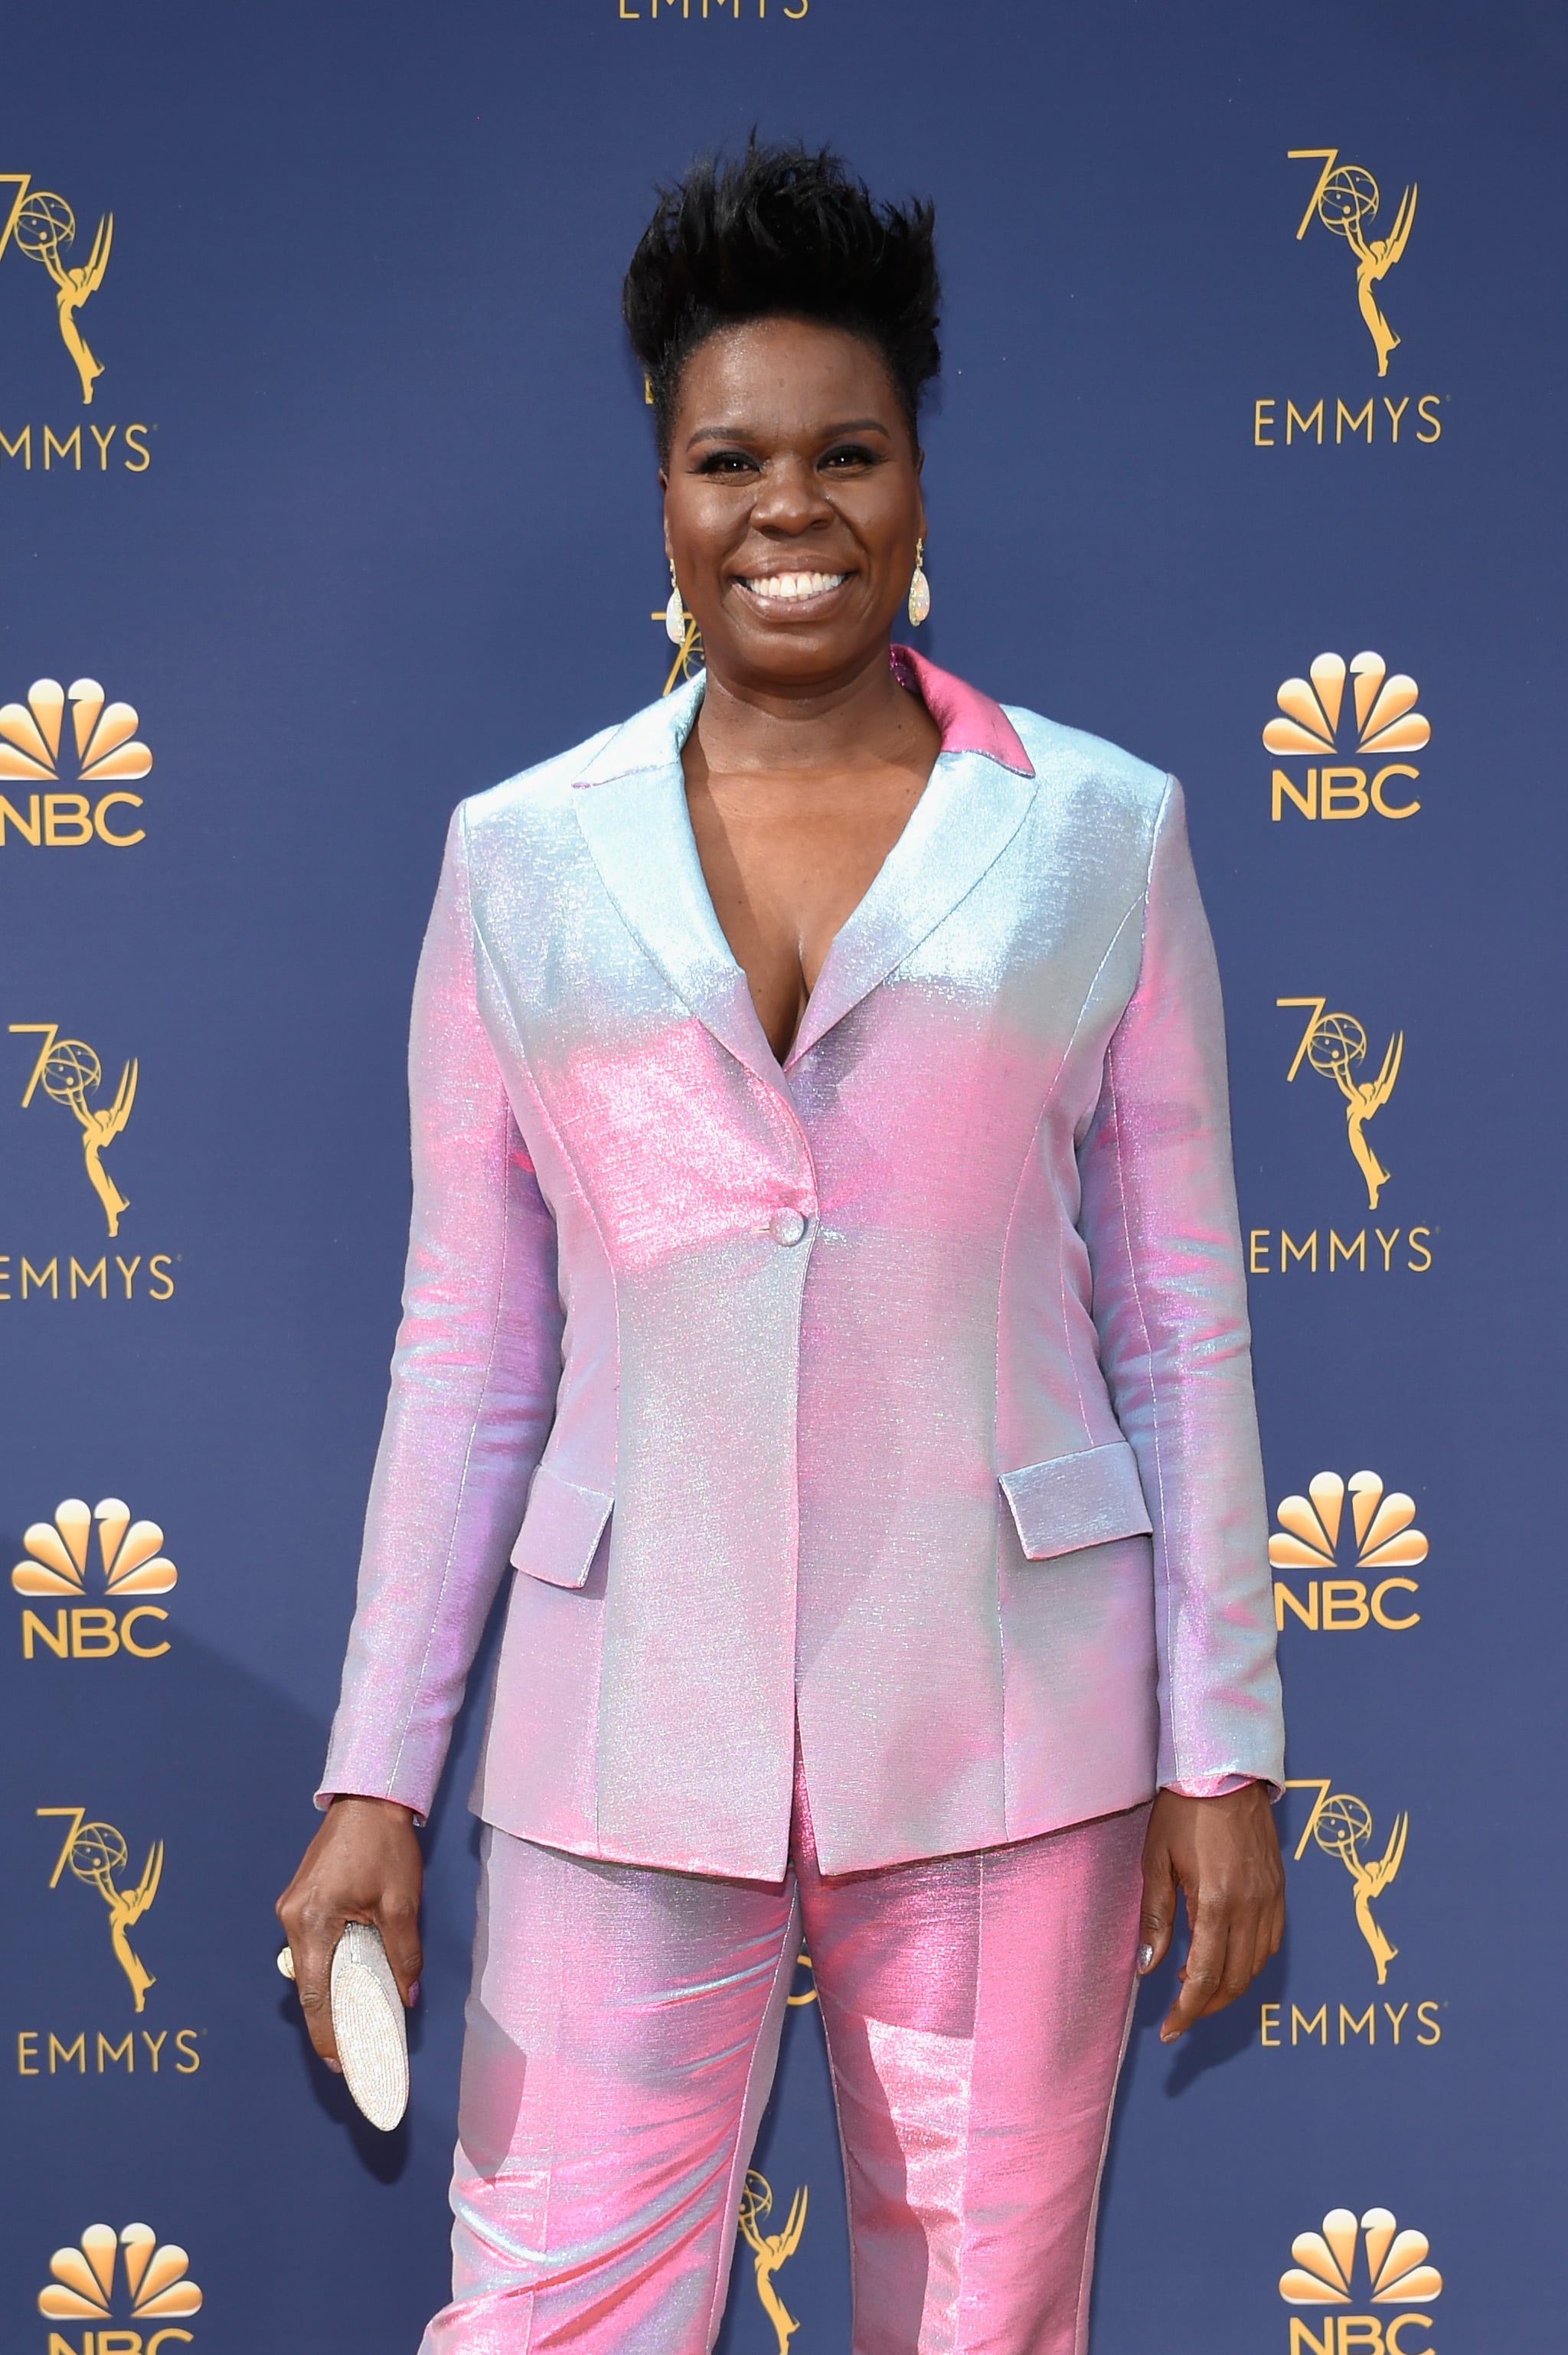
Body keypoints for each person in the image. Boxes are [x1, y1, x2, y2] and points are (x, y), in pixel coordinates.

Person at [277, 141, 1285, 2355]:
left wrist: (1224, 1744)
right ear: (663, 487)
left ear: (923, 482)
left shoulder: (1101, 836)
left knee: (985, 2317)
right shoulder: (519, 861)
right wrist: (375, 1783)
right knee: (545, 2309)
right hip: (624, 1711)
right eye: (732, 457)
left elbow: (1178, 1321)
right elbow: (466, 1355)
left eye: (849, 451)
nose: (791, 507)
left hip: (1013, 1716)